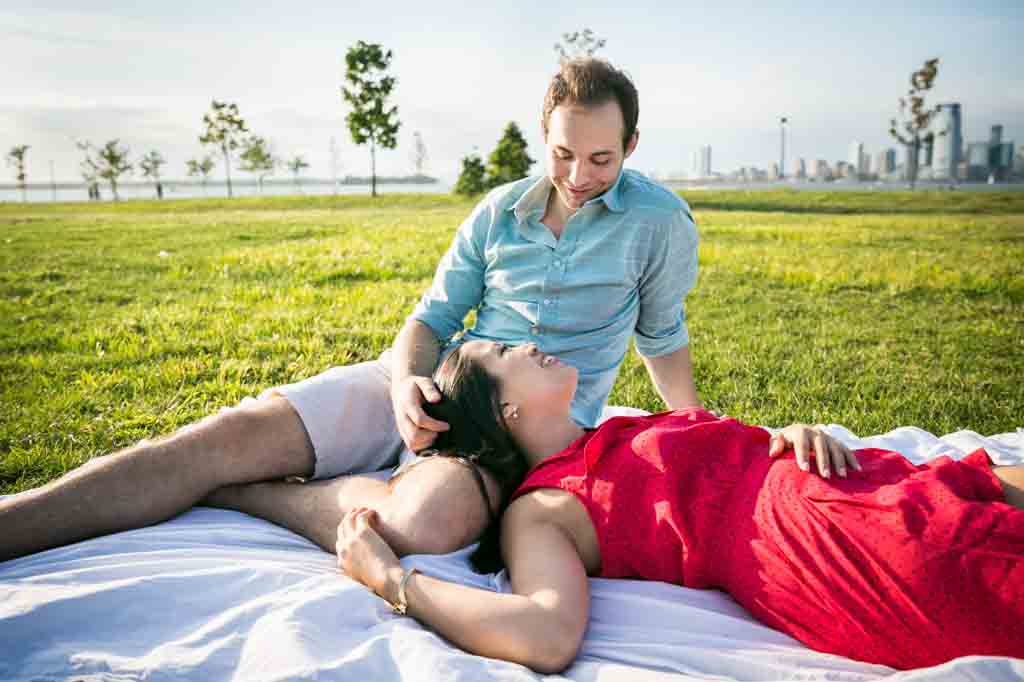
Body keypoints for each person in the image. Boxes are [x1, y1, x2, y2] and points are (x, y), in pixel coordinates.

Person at [0, 58, 849, 563]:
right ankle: (16, 526)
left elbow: (662, 335)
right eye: (562, 153)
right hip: (428, 386)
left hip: (525, 423)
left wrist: (705, 435)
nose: (580, 174)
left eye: (600, 156)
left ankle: (246, 497)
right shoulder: (498, 211)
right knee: (215, 436)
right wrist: (406, 387)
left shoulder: (659, 222)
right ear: (541, 137)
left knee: (435, 520)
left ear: (630, 145)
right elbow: (430, 321)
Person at [336, 340, 1024, 673]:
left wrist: (785, 436)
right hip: (836, 542)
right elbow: (545, 635)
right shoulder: (543, 506)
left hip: (876, 478)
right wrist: (391, 581)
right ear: (504, 408)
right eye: (503, 350)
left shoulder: (623, 428)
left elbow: (720, 463)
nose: (528, 342)